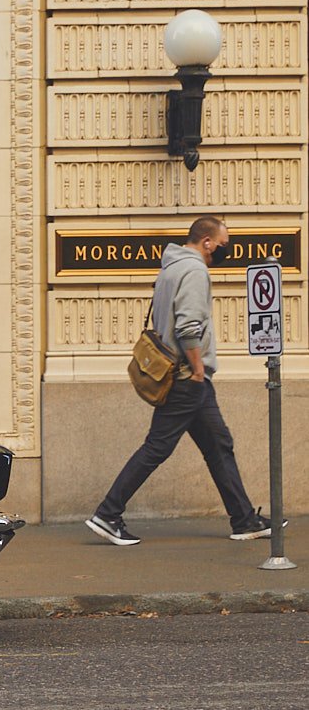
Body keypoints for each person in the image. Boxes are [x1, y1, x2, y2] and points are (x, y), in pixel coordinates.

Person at [86, 216, 276, 545]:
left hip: (184, 377)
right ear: (207, 242)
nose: (223, 250)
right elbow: (189, 325)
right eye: (223, 244)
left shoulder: (169, 268)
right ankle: (108, 512)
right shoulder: (194, 270)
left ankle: (244, 520)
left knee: (219, 446)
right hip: (188, 377)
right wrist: (198, 368)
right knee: (157, 447)